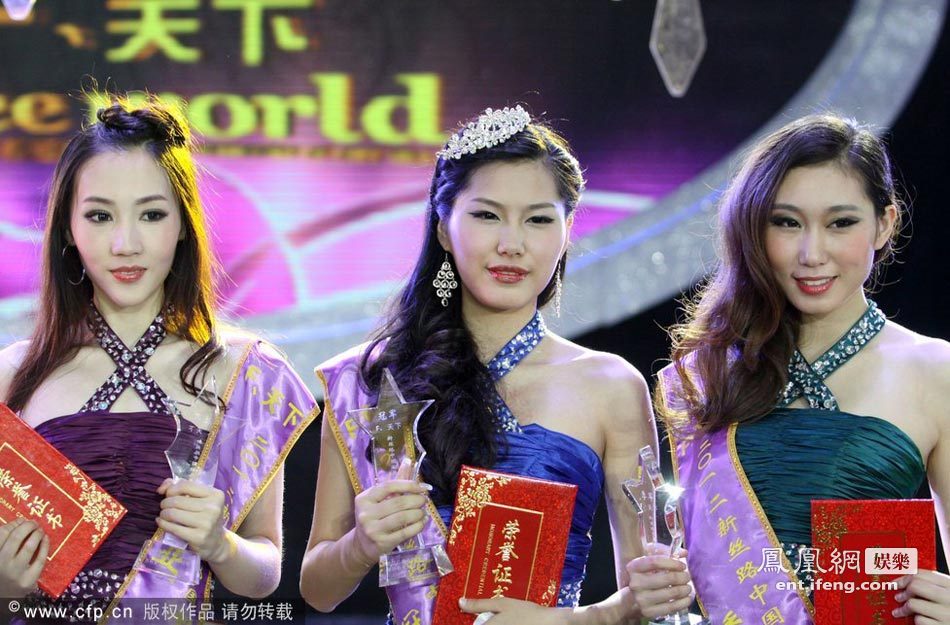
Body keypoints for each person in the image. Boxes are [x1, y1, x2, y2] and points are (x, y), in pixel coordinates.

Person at [300, 106, 692, 624]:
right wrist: (360, 545)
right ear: (443, 228)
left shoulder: (611, 385)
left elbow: (646, 600)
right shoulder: (373, 379)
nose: (512, 244)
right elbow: (317, 589)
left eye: (538, 219)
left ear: (567, 231)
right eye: (487, 215)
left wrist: (576, 619)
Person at [0, 96, 317, 621]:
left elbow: (265, 571)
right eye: (99, 216)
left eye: (151, 214)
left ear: (183, 224)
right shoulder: (15, 375)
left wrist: (220, 544)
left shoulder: (244, 370)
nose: (125, 243)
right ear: (67, 229)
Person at [656, 114, 950, 624]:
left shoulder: (935, 370)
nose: (811, 254)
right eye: (786, 223)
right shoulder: (705, 372)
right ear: (753, 228)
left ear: (885, 223)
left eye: (841, 223)